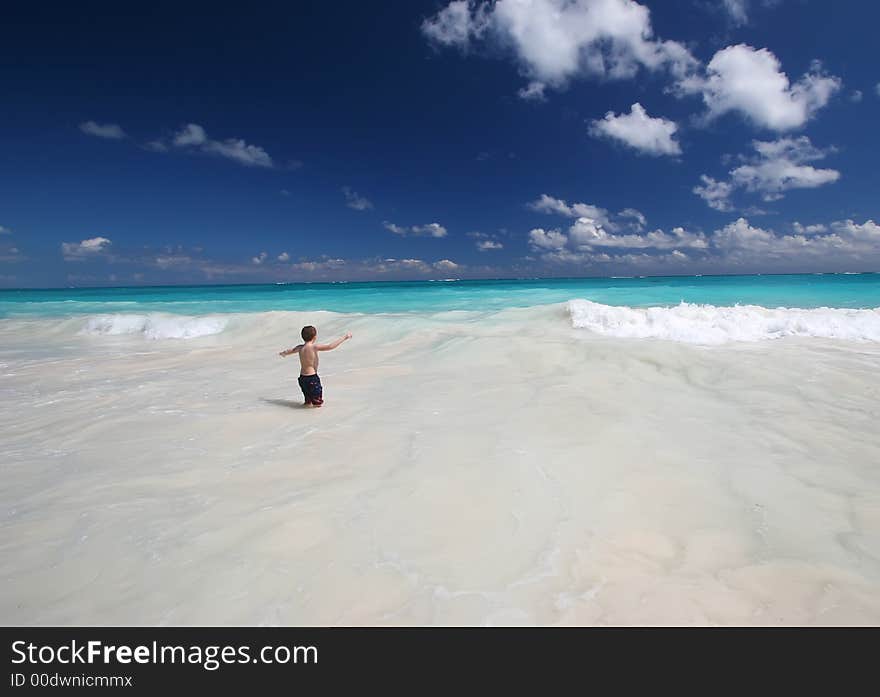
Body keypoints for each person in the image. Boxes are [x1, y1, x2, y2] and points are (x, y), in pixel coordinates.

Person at [279, 326, 352, 407]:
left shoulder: (300, 348)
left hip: (302, 378)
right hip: (312, 378)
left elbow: (290, 351)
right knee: (317, 404)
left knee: (308, 402)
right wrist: (344, 337)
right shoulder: (314, 347)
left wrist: (283, 353)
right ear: (315, 337)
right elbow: (330, 346)